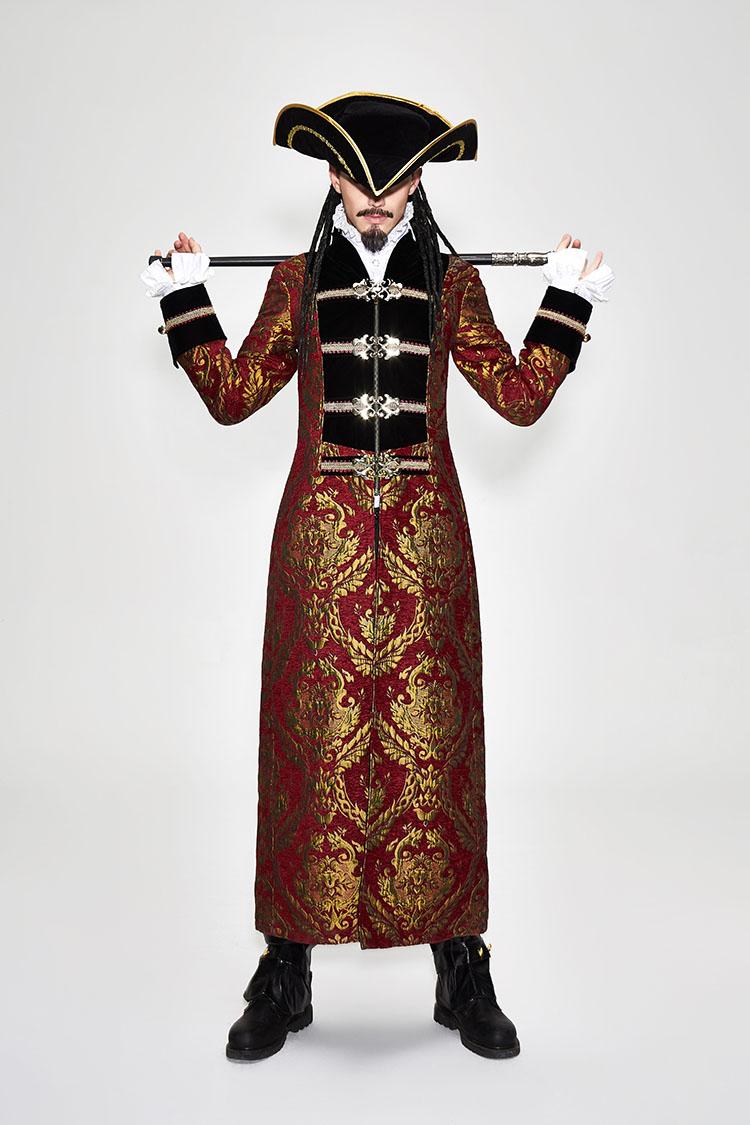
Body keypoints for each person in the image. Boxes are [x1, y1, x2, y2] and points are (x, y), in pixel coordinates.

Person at [142, 92, 613, 1062]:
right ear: (330, 176)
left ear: (418, 182)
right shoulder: (292, 282)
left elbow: (520, 398)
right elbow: (232, 396)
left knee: (435, 752)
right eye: (359, 183)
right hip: (316, 555)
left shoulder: (452, 284)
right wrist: (185, 298)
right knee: (309, 748)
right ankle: (286, 967)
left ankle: (460, 964)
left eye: (393, 185)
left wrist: (567, 299)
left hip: (429, 552)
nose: (375, 203)